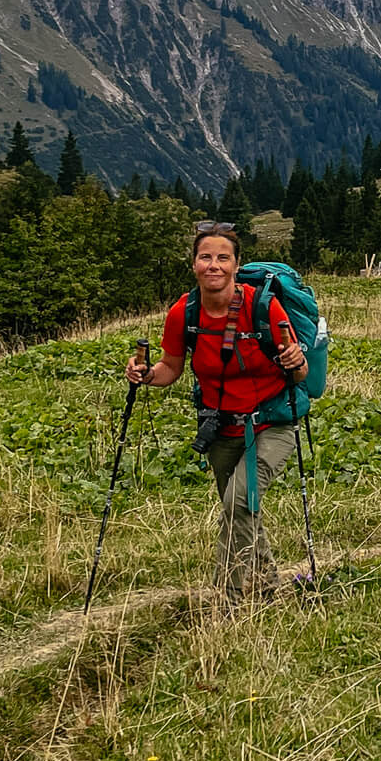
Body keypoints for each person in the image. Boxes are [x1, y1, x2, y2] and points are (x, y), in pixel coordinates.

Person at [126, 220, 308, 600]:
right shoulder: (184, 313)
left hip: (273, 421)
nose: (214, 265)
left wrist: (296, 359)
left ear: (236, 265)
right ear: (193, 263)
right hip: (221, 427)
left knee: (239, 501)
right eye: (205, 257)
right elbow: (171, 367)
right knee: (243, 510)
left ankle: (229, 597)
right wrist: (144, 375)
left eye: (223, 258)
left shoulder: (264, 306)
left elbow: (301, 370)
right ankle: (268, 585)